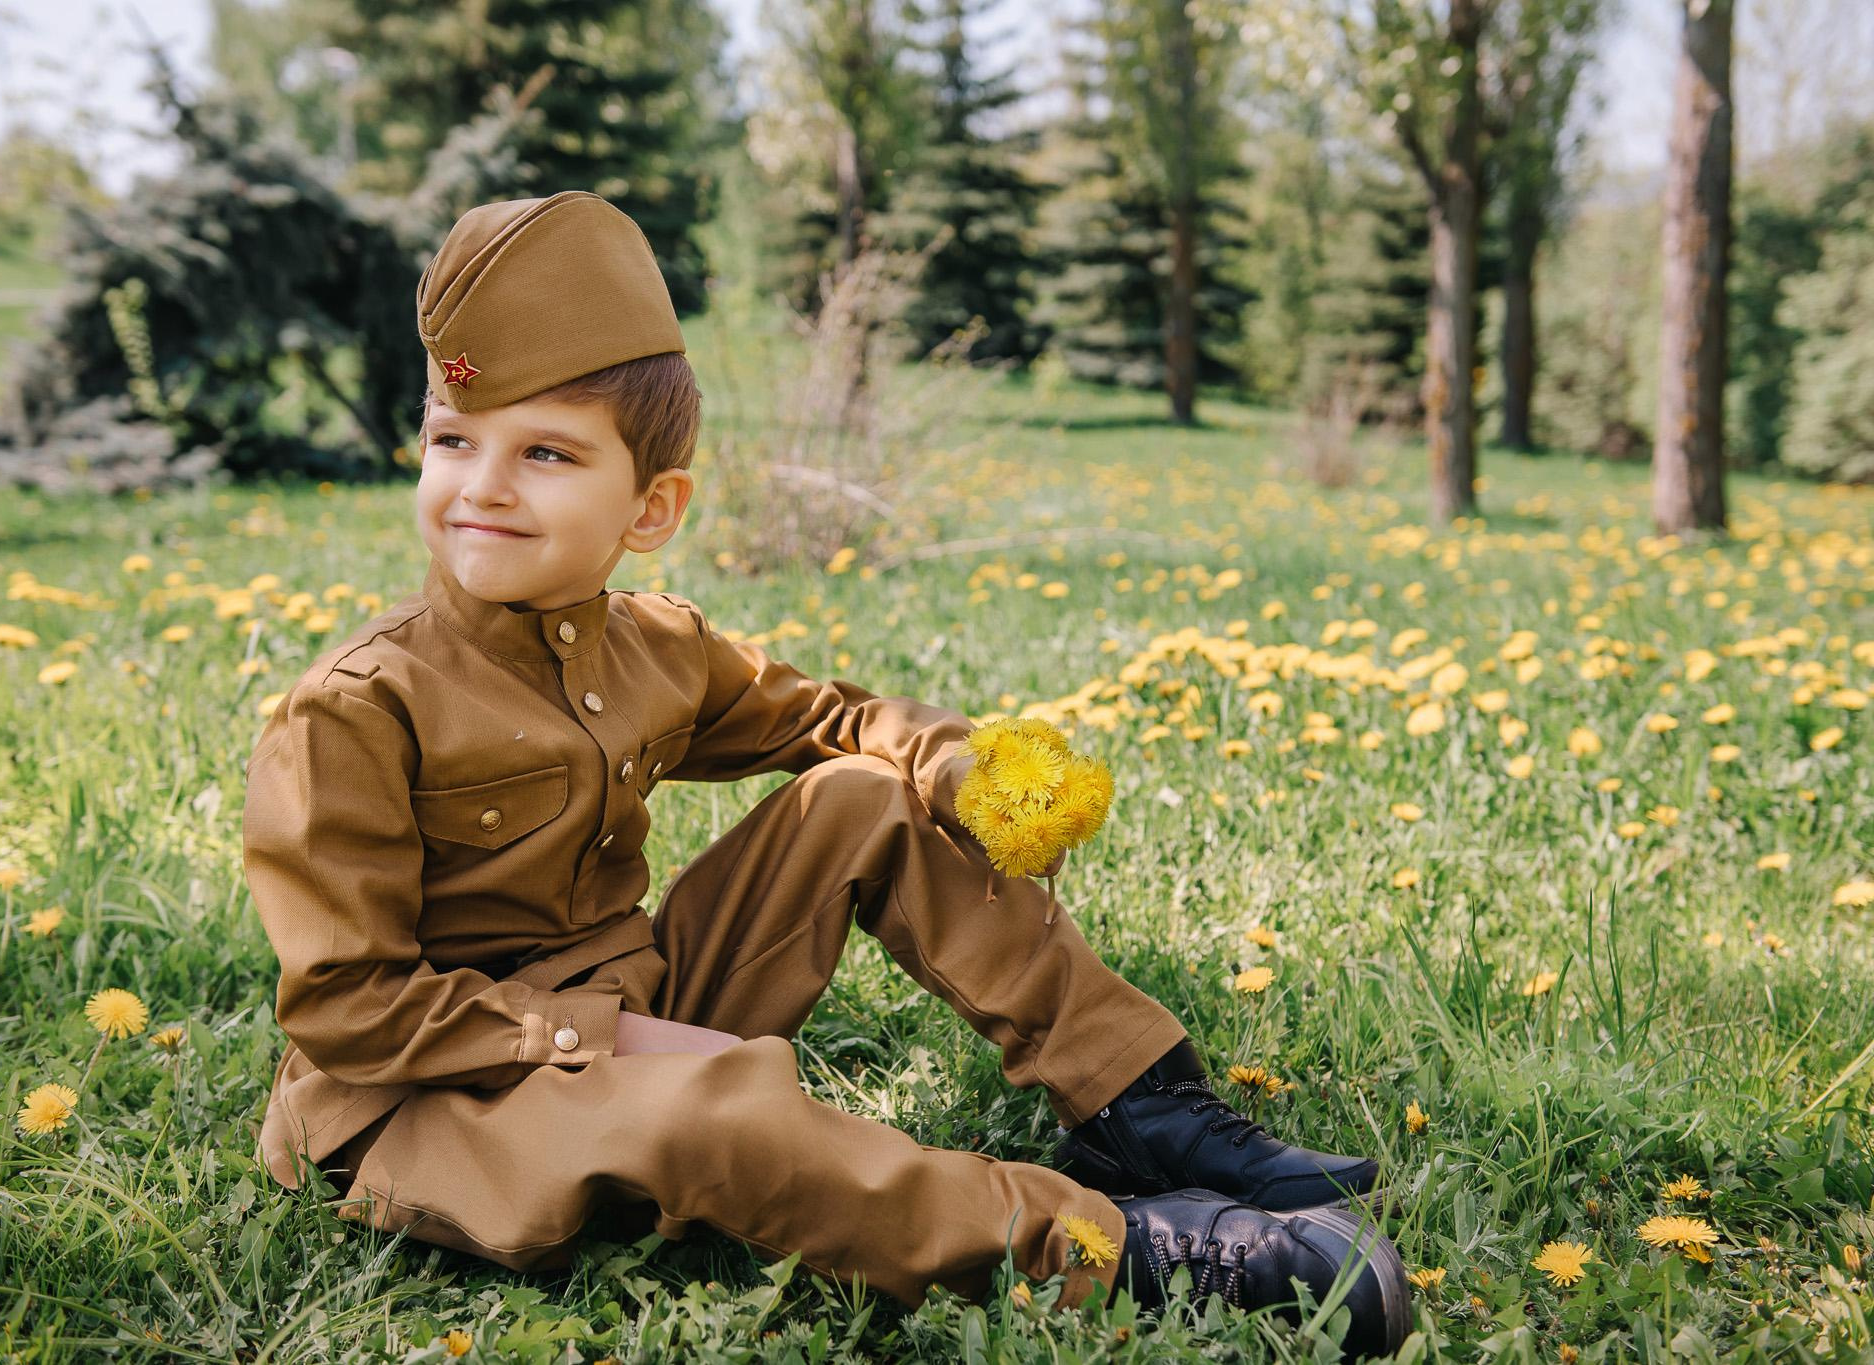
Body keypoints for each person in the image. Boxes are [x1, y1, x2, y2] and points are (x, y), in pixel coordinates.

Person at [242, 190, 1411, 1356]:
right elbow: (349, 1009)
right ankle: (1119, 1249)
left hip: (633, 1009)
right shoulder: (358, 705)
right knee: (717, 1119)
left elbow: (831, 724)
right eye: (454, 439)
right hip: (434, 1100)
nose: (482, 486)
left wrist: (954, 770)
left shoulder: (654, 643)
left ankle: (1138, 1107)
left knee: (862, 799)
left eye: (544, 452)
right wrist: (598, 1042)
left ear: (650, 508)